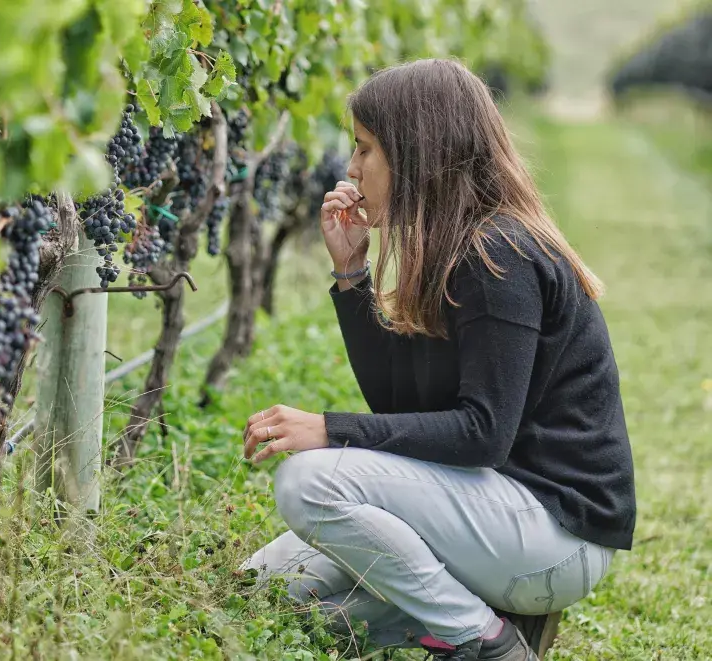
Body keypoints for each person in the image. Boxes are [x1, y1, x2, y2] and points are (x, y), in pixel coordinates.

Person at [239, 59, 636, 661]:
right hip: (491, 512)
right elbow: (400, 403)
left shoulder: (499, 256)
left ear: (417, 152)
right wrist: (351, 275)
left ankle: (483, 640)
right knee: (270, 588)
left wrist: (328, 431)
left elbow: (483, 435)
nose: (350, 169)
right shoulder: (453, 250)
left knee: (307, 481)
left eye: (366, 148)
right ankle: (474, 612)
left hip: (554, 536)